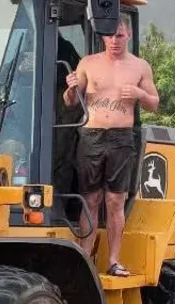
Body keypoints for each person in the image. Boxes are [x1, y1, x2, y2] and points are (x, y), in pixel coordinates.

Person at [63, 16, 159, 276]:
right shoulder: (88, 63)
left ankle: (113, 260)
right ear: (103, 36)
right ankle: (84, 257)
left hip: (121, 137)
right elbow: (71, 102)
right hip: (92, 135)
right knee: (90, 198)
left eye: (120, 35)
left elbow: (154, 103)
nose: (115, 40)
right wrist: (71, 88)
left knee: (115, 200)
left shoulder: (140, 67)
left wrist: (139, 95)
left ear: (128, 34)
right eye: (110, 35)